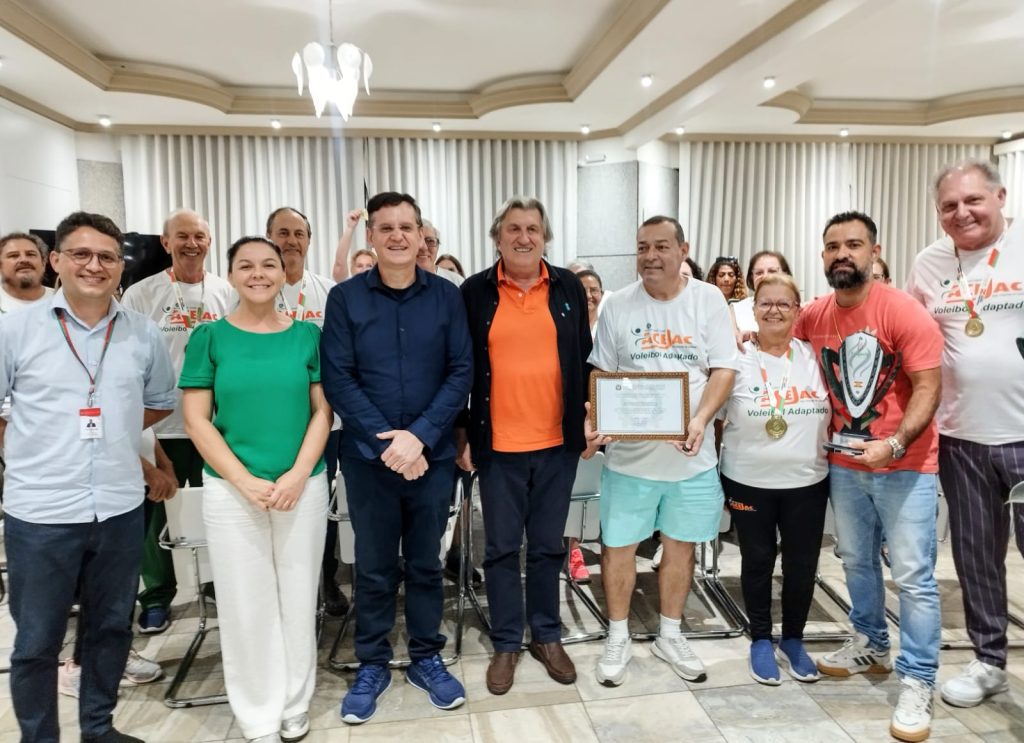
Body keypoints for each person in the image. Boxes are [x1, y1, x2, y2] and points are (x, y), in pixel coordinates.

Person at [0, 210, 176, 743]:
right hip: (41, 511)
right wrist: (32, 447)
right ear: (56, 261)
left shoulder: (142, 333)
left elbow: (158, 403)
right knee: (36, 640)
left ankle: (98, 728)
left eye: (107, 256)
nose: (95, 265)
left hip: (119, 506)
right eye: (81, 253)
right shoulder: (15, 328)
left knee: (108, 628)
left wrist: (111, 435)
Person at [321, 192, 472, 724]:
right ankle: (373, 663)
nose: (397, 236)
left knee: (428, 564)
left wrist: (421, 436)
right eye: (385, 228)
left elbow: (461, 372)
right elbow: (338, 376)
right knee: (375, 566)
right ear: (371, 237)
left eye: (406, 226)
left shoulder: (447, 297)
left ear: (419, 232)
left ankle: (428, 656)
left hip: (431, 458)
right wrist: (391, 444)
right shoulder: (344, 299)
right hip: (368, 457)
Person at [796, 211, 942, 743]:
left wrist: (896, 442)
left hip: (906, 465)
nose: (842, 254)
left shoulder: (903, 311)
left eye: (853, 245)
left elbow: (928, 385)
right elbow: (770, 337)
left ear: (874, 252)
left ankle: (918, 678)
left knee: (913, 578)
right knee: (855, 559)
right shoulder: (815, 314)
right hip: (844, 464)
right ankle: (871, 643)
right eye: (832, 246)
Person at [180, 236, 331, 743]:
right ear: (232, 274)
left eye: (269, 264)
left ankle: (293, 701)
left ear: (283, 269)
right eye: (246, 265)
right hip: (231, 489)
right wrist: (243, 481)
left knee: (296, 594)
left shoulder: (308, 337)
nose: (259, 273)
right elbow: (197, 421)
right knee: (246, 604)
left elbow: (322, 413)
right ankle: (257, 713)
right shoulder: (210, 337)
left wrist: (296, 473)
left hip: (302, 485)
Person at [586, 215, 738, 687]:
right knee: (618, 550)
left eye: (661, 246)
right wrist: (599, 421)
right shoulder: (617, 306)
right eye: (642, 247)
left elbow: (723, 370)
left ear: (683, 249)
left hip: (691, 459)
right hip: (630, 462)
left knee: (680, 549)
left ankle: (671, 633)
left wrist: (699, 420)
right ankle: (617, 635)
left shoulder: (708, 299)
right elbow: (600, 373)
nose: (650, 256)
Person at [460, 197, 592, 696]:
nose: (523, 237)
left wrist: (588, 422)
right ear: (498, 237)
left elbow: (582, 356)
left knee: (545, 547)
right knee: (498, 549)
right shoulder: (474, 291)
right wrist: (461, 433)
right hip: (498, 446)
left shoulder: (567, 287)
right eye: (513, 229)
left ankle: (547, 635)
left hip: (556, 444)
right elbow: (461, 366)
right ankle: (507, 642)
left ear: (545, 236)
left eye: (533, 229)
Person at [907, 159, 1024, 709]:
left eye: (974, 200)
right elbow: (911, 342)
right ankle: (989, 661)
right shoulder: (929, 264)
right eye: (950, 205)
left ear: (1000, 196)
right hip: (960, 438)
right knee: (976, 556)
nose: (963, 213)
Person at [120, 208, 235, 634]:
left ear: (209, 241)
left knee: (217, 506)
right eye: (182, 236)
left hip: (216, 425)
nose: (192, 244)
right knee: (156, 514)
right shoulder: (141, 295)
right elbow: (129, 367)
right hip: (159, 426)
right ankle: (156, 595)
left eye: (200, 236)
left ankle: (216, 583)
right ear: (166, 243)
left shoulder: (226, 291)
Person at [719, 274, 830, 685]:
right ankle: (761, 639)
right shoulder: (735, 359)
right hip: (748, 481)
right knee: (758, 560)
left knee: (802, 564)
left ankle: (794, 640)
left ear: (798, 311)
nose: (774, 311)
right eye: (766, 303)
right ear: (754, 309)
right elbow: (713, 416)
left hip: (807, 480)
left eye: (784, 304)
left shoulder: (814, 356)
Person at [265, 206, 348, 618]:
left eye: (299, 234)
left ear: (309, 241)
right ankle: (277, 585)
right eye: (283, 233)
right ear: (269, 237)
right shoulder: (251, 290)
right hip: (270, 424)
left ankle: (325, 576)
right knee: (272, 503)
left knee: (321, 503)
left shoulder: (330, 292)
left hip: (324, 422)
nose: (291, 241)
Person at [732, 251, 792, 334]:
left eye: (772, 271)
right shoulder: (734, 311)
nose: (765, 276)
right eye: (759, 273)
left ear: (786, 275)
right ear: (751, 278)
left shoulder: (800, 311)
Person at [0, 232, 54, 313]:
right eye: (13, 255)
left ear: (43, 262)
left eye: (30, 254)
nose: (24, 260)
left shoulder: (63, 300)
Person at [419, 220, 464, 286]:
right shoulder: (399, 282)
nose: (424, 247)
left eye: (430, 241)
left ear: (437, 246)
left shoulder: (456, 281)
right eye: (418, 240)